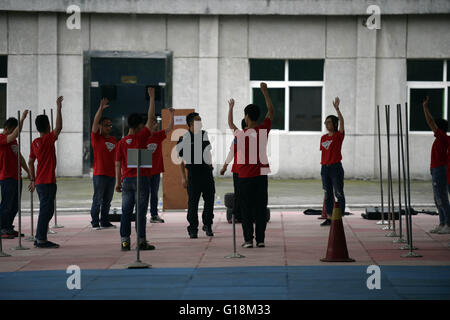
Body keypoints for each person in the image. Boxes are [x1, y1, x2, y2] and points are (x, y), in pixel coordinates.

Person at [228, 82, 273, 248]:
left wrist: (231, 108)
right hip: (261, 176)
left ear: (246, 116)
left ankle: (248, 240)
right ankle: (260, 240)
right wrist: (265, 92)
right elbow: (271, 111)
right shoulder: (263, 130)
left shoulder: (240, 135)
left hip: (245, 176)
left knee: (246, 209)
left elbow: (230, 124)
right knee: (260, 208)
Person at [115, 87, 156, 251]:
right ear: (139, 125)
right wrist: (152, 98)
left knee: (126, 211)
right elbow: (151, 118)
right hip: (142, 180)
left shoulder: (122, 142)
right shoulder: (141, 137)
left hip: (126, 181)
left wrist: (118, 182)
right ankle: (141, 241)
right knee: (140, 212)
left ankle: (125, 242)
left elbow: (117, 164)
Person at [28, 97, 63, 248]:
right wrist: (59, 108)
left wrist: (32, 179)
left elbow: (30, 162)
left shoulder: (35, 142)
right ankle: (40, 239)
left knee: (46, 211)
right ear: (48, 126)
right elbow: (59, 127)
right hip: (48, 182)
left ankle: (40, 237)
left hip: (40, 182)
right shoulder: (48, 140)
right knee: (46, 212)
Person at [176, 112, 215, 239]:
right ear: (191, 123)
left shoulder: (204, 135)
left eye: (201, 120)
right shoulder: (184, 138)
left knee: (209, 200)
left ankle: (208, 224)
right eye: (198, 120)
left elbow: (208, 152)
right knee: (193, 203)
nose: (201, 122)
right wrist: (183, 177)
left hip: (206, 173)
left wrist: (210, 164)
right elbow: (180, 160)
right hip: (193, 174)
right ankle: (193, 229)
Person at [0, 111, 31, 239]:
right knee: (6, 204)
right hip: (6, 177)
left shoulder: (14, 142)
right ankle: (2, 228)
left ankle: (8, 226)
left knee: (14, 206)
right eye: (13, 130)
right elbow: (12, 136)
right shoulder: (2, 138)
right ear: (6, 129)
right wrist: (22, 119)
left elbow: (20, 157)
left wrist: (28, 171)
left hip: (16, 177)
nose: (15, 134)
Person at [423, 96, 450, 234]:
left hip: (440, 170)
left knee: (442, 197)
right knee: (437, 198)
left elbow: (430, 121)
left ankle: (448, 224)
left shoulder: (443, 138)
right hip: (436, 170)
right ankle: (442, 222)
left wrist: (425, 107)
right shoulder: (442, 139)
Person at [144, 108, 175, 223]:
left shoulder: (158, 135)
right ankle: (141, 214)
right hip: (145, 171)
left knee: (154, 193)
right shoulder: (143, 137)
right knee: (143, 194)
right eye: (152, 123)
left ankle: (154, 215)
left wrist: (172, 115)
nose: (155, 125)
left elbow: (170, 128)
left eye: (155, 123)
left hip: (156, 170)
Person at [90, 98, 117, 229]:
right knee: (98, 199)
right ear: (100, 126)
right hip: (100, 174)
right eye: (106, 125)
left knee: (107, 201)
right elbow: (95, 123)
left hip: (111, 174)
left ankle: (104, 221)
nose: (109, 127)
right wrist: (100, 108)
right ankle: (95, 222)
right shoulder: (96, 138)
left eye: (110, 125)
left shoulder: (113, 139)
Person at [320, 97, 345, 227]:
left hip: (335, 168)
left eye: (328, 122)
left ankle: (339, 217)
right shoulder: (323, 137)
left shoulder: (338, 136)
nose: (326, 124)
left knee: (338, 192)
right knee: (328, 194)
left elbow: (342, 122)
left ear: (334, 124)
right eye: (325, 122)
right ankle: (329, 217)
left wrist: (337, 110)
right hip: (325, 168)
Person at [220, 116, 247, 223]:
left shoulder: (239, 136)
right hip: (246, 171)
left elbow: (230, 123)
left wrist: (224, 167)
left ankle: (236, 215)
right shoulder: (257, 135)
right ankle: (243, 215)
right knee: (245, 194)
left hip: (238, 170)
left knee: (239, 193)